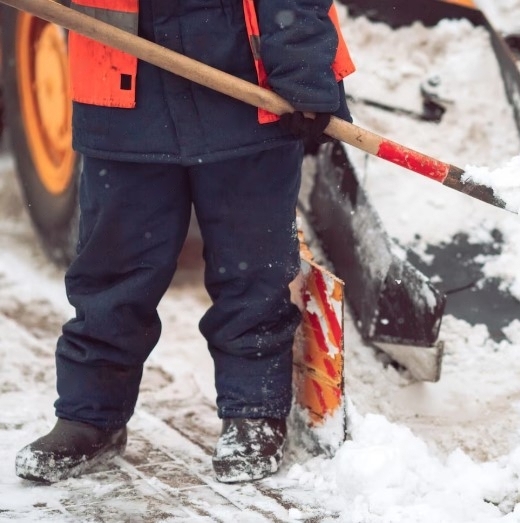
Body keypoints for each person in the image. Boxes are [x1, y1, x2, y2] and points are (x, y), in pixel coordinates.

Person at [14, 0, 353, 484]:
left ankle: (253, 411)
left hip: (247, 80)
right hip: (121, 86)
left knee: (252, 269)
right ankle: (90, 416)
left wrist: (300, 68)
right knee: (112, 270)